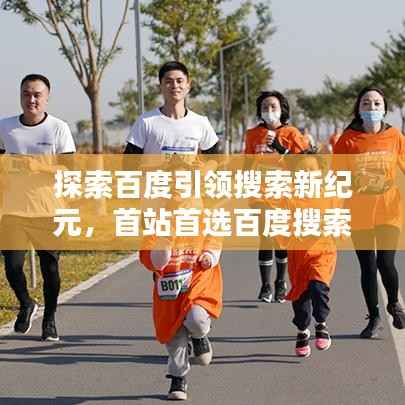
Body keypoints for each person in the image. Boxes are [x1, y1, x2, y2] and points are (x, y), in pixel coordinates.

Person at [0, 74, 76, 341]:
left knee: (50, 268)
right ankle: (26, 303)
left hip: (48, 210)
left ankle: (50, 320)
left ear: (46, 97)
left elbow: (70, 168)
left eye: (37, 95)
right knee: (12, 266)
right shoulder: (5, 127)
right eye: (26, 94)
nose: (31, 99)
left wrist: (38, 166)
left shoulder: (58, 128)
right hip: (13, 210)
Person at [334, 86, 405, 338]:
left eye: (376, 103)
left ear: (384, 108)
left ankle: (394, 304)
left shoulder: (394, 136)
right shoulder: (347, 139)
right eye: (366, 103)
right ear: (359, 108)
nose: (372, 107)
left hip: (388, 209)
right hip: (359, 212)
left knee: (386, 262)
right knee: (367, 266)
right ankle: (374, 317)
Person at [139, 188, 223, 400]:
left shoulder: (202, 213)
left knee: (196, 319)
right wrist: (164, 242)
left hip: (197, 281)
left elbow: (214, 237)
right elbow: (152, 260)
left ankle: (200, 335)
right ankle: (178, 379)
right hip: (169, 288)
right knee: (175, 336)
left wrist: (209, 255)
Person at [244, 91, 310, 303]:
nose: (269, 111)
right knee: (266, 236)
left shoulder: (292, 134)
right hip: (261, 195)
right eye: (265, 107)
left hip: (286, 196)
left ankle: (281, 282)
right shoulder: (253, 134)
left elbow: (304, 163)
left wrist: (281, 149)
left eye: (273, 107)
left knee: (281, 239)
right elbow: (247, 162)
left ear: (282, 110)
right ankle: (265, 286)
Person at [278, 154, 337, 357]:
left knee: (318, 286)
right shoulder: (289, 196)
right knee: (301, 297)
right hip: (299, 254)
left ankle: (321, 324)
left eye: (312, 170)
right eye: (303, 171)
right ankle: (302, 330)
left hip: (323, 250)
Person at [124, 61, 219, 156]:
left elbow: (214, 159)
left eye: (179, 81)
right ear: (160, 86)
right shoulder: (145, 122)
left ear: (188, 85)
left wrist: (205, 165)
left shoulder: (201, 122)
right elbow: (128, 161)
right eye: (168, 82)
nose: (175, 86)